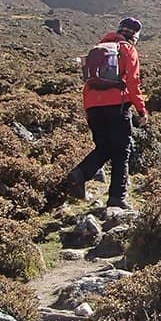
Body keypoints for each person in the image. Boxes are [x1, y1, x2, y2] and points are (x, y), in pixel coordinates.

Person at [66, 17, 148, 208]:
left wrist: (89, 111)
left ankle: (79, 174)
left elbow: (87, 85)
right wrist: (141, 110)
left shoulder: (97, 49)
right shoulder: (127, 50)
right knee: (121, 152)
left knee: (104, 148)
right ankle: (117, 199)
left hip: (94, 108)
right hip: (117, 106)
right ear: (134, 36)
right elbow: (133, 83)